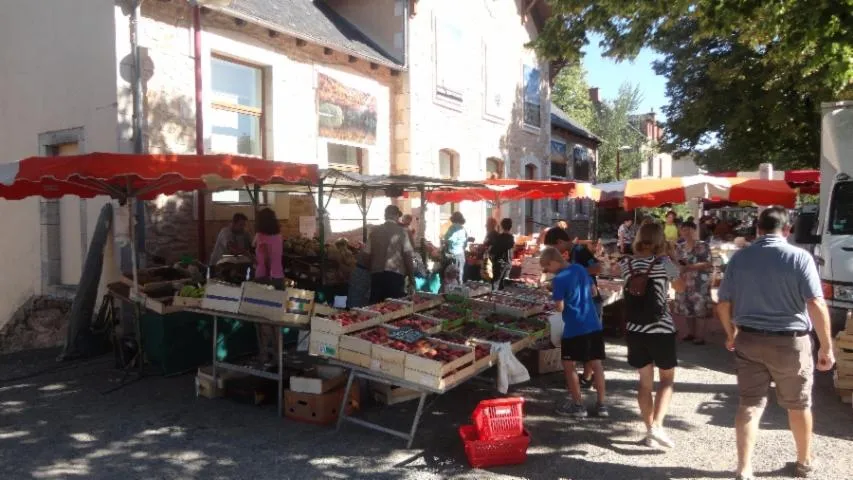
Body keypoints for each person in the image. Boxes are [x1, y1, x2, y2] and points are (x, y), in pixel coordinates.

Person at [716, 207, 834, 480]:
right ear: (788, 229)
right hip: (790, 343)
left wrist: (730, 333)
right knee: (799, 404)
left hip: (748, 339)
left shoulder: (740, 258)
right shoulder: (800, 258)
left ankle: (744, 468)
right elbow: (815, 303)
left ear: (757, 229)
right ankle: (804, 463)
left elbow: (722, 303)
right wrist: (826, 347)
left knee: (749, 404)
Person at [619, 223, 685, 449]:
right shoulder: (664, 263)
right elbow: (681, 286)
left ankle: (649, 431)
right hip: (661, 329)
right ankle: (657, 426)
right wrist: (672, 257)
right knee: (667, 379)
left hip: (635, 329)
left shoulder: (626, 263)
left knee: (644, 382)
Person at [540, 247, 608, 418]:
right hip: (593, 323)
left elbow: (559, 307)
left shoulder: (559, 280)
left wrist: (557, 294)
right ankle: (602, 405)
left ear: (553, 262)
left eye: (547, 268)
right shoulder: (579, 268)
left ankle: (578, 405)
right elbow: (593, 292)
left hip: (574, 327)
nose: (548, 271)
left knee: (569, 366)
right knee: (596, 365)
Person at [673, 221, 714, 345]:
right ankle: (691, 333)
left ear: (694, 230)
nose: (685, 232)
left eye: (688, 229)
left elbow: (708, 263)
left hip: (699, 281)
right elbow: (676, 262)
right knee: (686, 308)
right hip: (684, 281)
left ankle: (700, 336)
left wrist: (689, 267)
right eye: (683, 229)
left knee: (700, 308)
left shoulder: (703, 245)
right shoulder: (680, 247)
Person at [365, 205, 415, 303]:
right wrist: (411, 277)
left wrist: (372, 270)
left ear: (385, 215)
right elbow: (407, 256)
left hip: (377, 275)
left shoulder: (374, 231)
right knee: (394, 308)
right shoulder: (402, 232)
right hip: (395, 275)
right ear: (396, 216)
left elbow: (367, 254)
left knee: (376, 307)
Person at [253, 208, 284, 290]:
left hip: (264, 276)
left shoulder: (260, 236)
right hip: (279, 275)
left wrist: (268, 275)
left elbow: (267, 258)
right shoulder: (278, 236)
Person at [487, 218, 515, 290]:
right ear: (511, 226)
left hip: (500, 263)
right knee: (504, 284)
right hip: (508, 263)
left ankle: (494, 298)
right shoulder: (511, 238)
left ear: (502, 226)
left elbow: (493, 251)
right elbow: (512, 250)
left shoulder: (499, 238)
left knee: (496, 283)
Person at [442, 211, 469, 285]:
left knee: (451, 277)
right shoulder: (463, 229)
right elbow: (465, 244)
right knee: (459, 275)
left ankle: (452, 293)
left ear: (453, 218)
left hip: (453, 254)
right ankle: (460, 292)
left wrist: (445, 242)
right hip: (461, 254)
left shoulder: (453, 227)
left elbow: (448, 239)